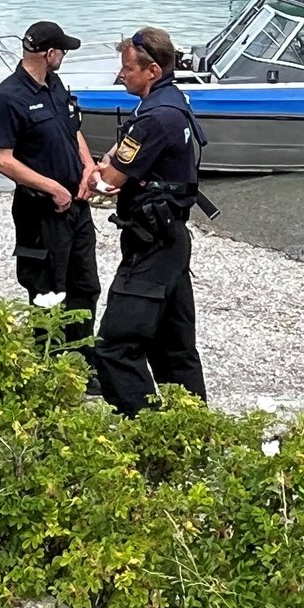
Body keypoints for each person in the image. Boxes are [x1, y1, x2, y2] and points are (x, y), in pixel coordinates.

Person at [92, 27, 208, 416]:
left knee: (113, 346)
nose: (121, 75)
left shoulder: (155, 118)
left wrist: (97, 173)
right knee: (174, 346)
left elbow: (107, 182)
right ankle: (192, 426)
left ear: (152, 70)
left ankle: (149, 426)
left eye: (127, 68)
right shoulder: (176, 101)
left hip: (152, 243)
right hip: (172, 238)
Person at [0, 21, 100, 350]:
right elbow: (3, 160)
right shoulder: (8, 97)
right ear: (50, 53)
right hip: (41, 210)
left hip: (76, 205)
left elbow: (72, 128)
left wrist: (88, 167)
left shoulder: (55, 84)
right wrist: (52, 187)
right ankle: (48, 359)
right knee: (49, 290)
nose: (64, 55)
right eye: (62, 50)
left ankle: (81, 358)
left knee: (85, 285)